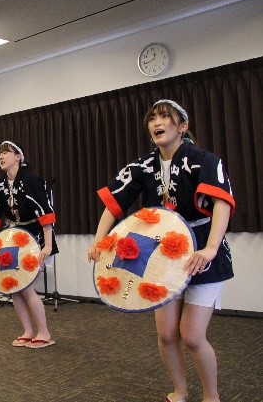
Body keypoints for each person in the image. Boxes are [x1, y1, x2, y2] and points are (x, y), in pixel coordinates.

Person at [87, 100, 235, 402]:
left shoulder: (203, 159)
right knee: (167, 334)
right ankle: (180, 390)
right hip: (160, 255)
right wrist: (100, 241)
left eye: (165, 117)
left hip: (201, 252)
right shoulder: (143, 166)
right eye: (152, 118)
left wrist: (210, 248)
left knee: (192, 336)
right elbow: (113, 205)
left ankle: (212, 395)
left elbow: (222, 203)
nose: (157, 122)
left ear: (182, 126)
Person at [0, 141, 58, 349]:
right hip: (12, 237)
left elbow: (46, 214)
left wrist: (48, 245)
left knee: (26, 286)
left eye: (6, 152)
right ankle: (28, 330)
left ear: (18, 157)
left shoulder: (32, 181)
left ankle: (44, 331)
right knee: (14, 288)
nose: (1, 156)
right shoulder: (0, 185)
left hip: (36, 236)